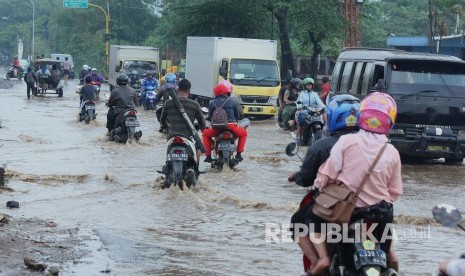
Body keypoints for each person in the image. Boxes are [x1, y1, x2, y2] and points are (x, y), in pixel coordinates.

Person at [306, 92, 402, 275]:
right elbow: (395, 191)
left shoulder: (347, 141)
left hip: (347, 211)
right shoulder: (392, 151)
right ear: (390, 120)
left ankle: (322, 261)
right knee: (389, 250)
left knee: (310, 219)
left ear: (362, 115)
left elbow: (328, 173)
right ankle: (391, 264)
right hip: (381, 213)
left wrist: (320, 185)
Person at [288, 94, 360, 272]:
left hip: (334, 204)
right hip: (373, 204)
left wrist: (296, 177)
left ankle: (318, 260)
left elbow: (307, 178)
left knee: (298, 221)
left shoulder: (322, 145)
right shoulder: (375, 145)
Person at [160, 78, 206, 164]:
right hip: (189, 136)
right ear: (189, 90)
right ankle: (196, 167)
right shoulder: (194, 105)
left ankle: (168, 166)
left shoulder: (168, 103)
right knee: (198, 148)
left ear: (178, 89)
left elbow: (162, 120)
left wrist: (165, 126)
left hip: (172, 135)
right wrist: (204, 130)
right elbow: (202, 122)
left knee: (168, 149)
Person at [202, 83, 248, 162]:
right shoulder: (233, 101)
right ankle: (239, 154)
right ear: (226, 91)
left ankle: (208, 156)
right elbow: (238, 116)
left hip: (217, 128)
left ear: (215, 92)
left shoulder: (212, 102)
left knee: (205, 134)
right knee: (243, 134)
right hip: (232, 127)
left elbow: (209, 117)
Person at [295, 77, 326, 144]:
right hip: (304, 110)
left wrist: (324, 107)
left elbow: (319, 102)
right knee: (301, 123)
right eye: (308, 85)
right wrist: (299, 106)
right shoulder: (301, 94)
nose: (309, 86)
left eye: (310, 85)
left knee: (323, 116)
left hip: (314, 110)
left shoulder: (315, 94)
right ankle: (298, 138)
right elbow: (299, 101)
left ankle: (325, 129)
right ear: (305, 86)